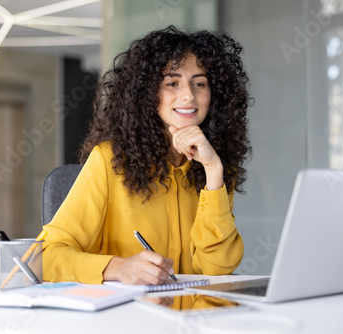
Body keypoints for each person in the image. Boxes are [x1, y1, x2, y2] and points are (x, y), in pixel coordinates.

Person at [42, 25, 251, 286]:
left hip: (192, 320)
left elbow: (216, 267)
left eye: (199, 83)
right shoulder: (109, 160)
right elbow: (46, 255)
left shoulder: (214, 166)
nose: (188, 95)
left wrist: (213, 170)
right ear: (147, 93)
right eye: (172, 83)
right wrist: (117, 268)